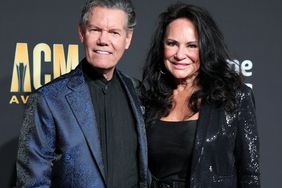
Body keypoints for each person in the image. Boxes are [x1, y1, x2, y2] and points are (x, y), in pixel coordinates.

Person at [16, 0, 148, 187]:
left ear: (127, 39)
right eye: (95, 30)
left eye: (114, 32)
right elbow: (32, 182)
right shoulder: (49, 99)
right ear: (81, 32)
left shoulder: (137, 92)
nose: (104, 40)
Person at [141, 3, 260, 188]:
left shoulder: (235, 97)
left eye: (191, 46)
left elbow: (250, 176)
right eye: (172, 43)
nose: (180, 54)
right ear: (161, 47)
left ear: (205, 48)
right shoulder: (148, 100)